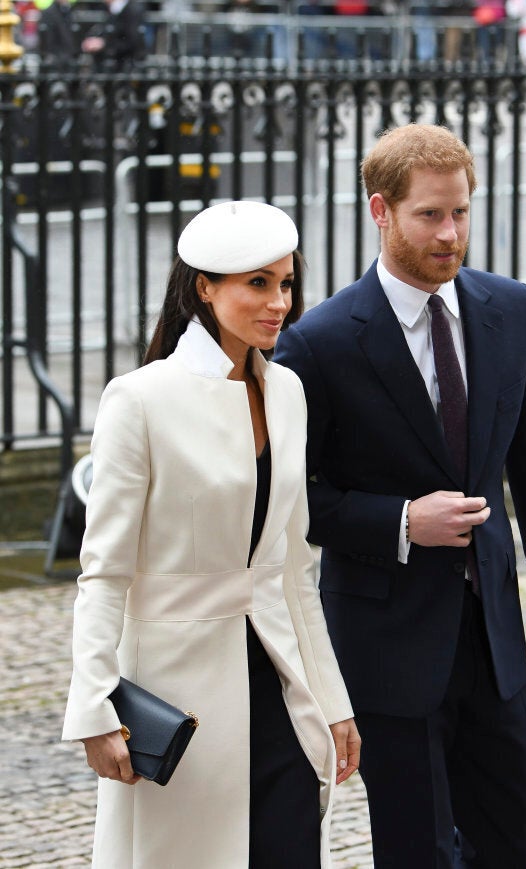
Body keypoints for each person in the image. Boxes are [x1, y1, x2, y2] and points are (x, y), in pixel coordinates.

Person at [274, 123, 526, 869]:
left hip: (494, 641)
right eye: (430, 216)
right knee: (418, 853)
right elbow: (292, 501)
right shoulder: (319, 342)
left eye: (461, 213)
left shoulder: (511, 309)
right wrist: (403, 521)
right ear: (380, 211)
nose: (451, 234)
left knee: (513, 844)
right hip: (389, 649)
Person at [62, 200, 360, 868]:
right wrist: (95, 707)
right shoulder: (138, 400)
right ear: (203, 286)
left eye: (285, 282)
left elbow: (290, 570)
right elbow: (103, 575)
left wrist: (333, 699)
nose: (279, 300)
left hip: (279, 687)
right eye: (258, 283)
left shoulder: (287, 391)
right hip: (178, 702)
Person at [81, 0, 146, 70]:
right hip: (116, 63)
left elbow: (133, 42)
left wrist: (103, 44)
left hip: (127, 65)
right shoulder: (112, 9)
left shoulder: (131, 10)